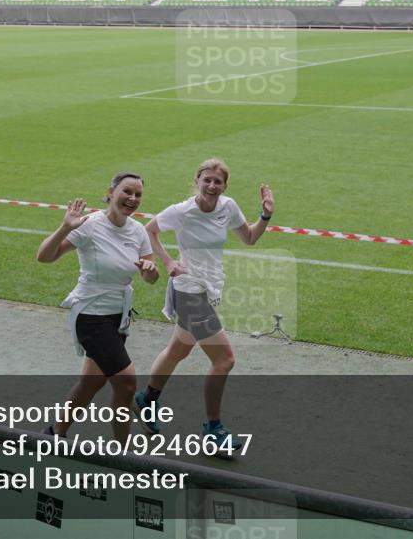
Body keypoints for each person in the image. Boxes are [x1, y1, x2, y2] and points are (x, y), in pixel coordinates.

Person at [135, 158, 274, 451]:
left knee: (178, 350)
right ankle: (213, 429)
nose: (211, 186)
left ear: (225, 186)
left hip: (209, 289)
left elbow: (249, 237)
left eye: (217, 181)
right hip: (189, 292)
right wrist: (168, 261)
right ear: (197, 181)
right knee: (225, 360)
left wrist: (265, 215)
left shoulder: (228, 207)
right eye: (207, 180)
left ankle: (146, 399)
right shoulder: (182, 211)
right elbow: (149, 230)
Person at [36, 173, 158, 441]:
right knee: (127, 384)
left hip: (118, 316)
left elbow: (150, 277)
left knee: (91, 383)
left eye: (138, 194)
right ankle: (123, 454)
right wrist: (65, 228)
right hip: (91, 316)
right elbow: (44, 256)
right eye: (127, 191)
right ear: (111, 192)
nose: (132, 199)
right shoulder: (90, 225)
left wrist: (150, 270)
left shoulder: (138, 230)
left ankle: (54, 433)